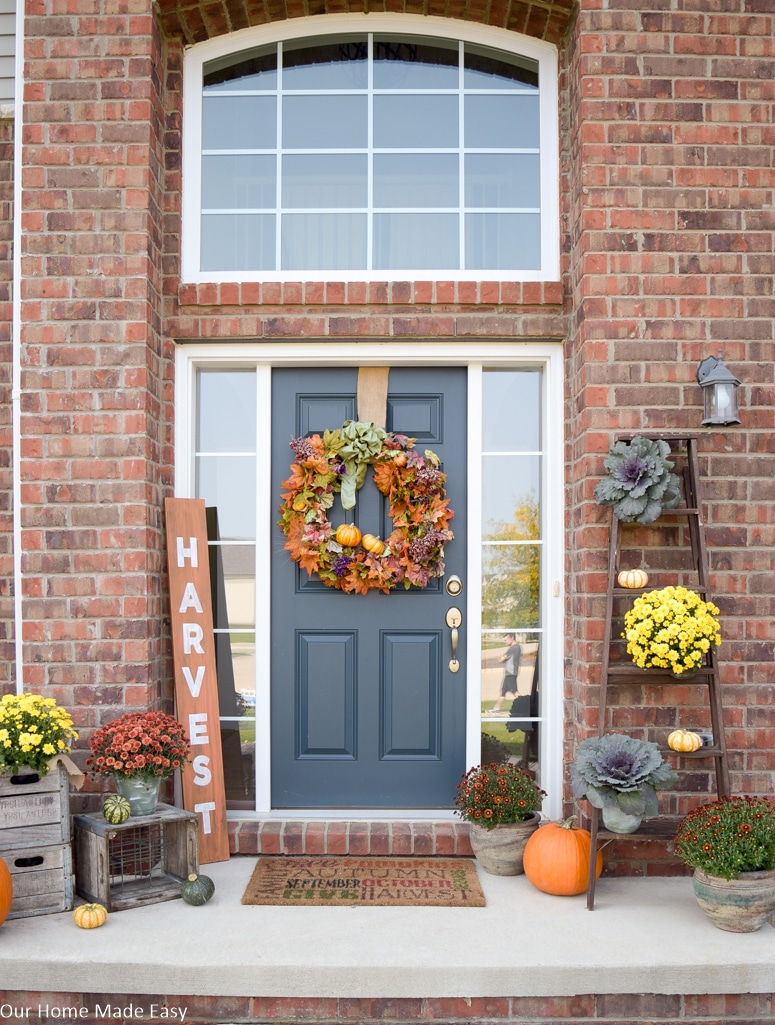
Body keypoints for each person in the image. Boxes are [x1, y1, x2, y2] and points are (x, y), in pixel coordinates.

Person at [491, 632, 522, 713]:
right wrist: (502, 659)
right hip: (510, 673)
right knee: (503, 692)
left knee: (515, 692)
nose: (505, 642)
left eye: (506, 640)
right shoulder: (516, 648)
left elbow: (503, 658)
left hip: (510, 674)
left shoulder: (513, 648)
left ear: (512, 638)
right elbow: (506, 659)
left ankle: (524, 707)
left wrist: (500, 659)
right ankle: (496, 709)